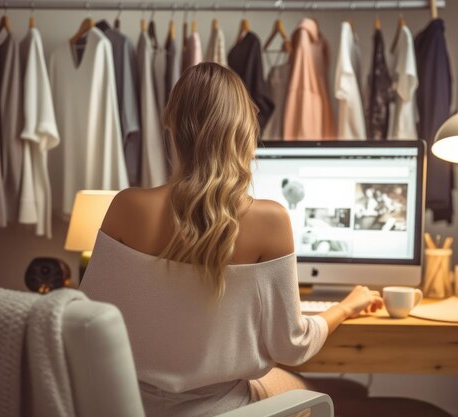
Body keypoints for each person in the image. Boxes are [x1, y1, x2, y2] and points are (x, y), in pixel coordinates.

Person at [80, 63, 383, 417]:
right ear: (245, 135)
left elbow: (87, 321)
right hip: (226, 410)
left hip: (132, 407)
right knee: (306, 390)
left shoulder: (126, 207)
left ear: (171, 127)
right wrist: (345, 307)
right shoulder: (270, 220)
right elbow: (292, 347)